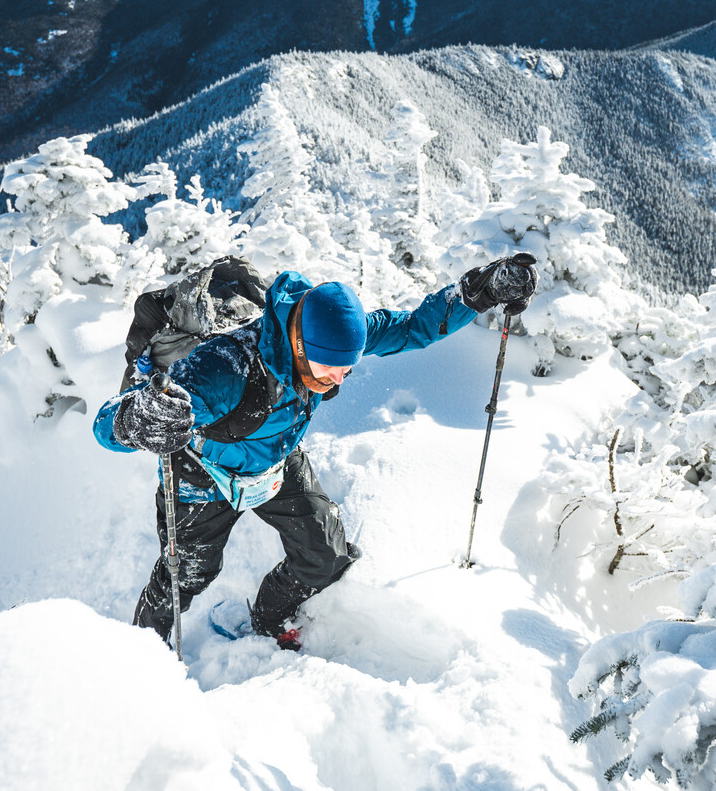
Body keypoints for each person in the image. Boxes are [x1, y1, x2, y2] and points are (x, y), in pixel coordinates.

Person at [94, 256, 538, 650]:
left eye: (347, 369)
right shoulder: (225, 366)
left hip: (274, 464)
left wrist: (477, 293)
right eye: (330, 371)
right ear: (300, 345)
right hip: (201, 477)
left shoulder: (331, 340)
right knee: (185, 576)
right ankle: (139, 659)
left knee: (325, 556)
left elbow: (411, 327)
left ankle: (267, 619)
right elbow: (107, 425)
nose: (339, 382)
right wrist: (138, 419)